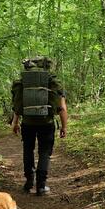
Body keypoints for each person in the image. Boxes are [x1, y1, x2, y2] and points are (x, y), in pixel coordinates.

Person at [10, 57, 68, 196]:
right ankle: (41, 186)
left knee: (27, 150)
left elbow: (18, 105)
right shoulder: (53, 83)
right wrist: (64, 127)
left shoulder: (24, 82)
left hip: (27, 123)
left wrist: (15, 122)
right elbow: (62, 107)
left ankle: (29, 182)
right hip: (46, 123)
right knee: (44, 152)